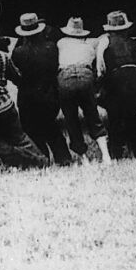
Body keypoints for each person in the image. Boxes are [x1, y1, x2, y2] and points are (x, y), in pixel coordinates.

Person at [0, 25, 49, 170]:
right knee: (21, 138)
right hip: (5, 105)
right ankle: (41, 159)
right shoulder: (2, 56)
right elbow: (17, 78)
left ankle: (17, 158)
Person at [10, 12, 72, 165]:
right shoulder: (51, 48)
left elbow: (15, 71)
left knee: (31, 129)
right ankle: (63, 157)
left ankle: (41, 158)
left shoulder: (19, 52)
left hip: (27, 96)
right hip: (49, 93)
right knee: (51, 126)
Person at [57, 17, 112, 164]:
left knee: (71, 119)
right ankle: (106, 155)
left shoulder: (61, 43)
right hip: (85, 76)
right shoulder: (88, 47)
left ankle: (84, 158)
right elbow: (102, 40)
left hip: (65, 77)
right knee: (93, 115)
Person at [96, 10, 136, 158]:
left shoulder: (105, 42)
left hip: (116, 79)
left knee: (115, 116)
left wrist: (101, 81)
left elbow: (101, 66)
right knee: (133, 114)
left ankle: (116, 151)